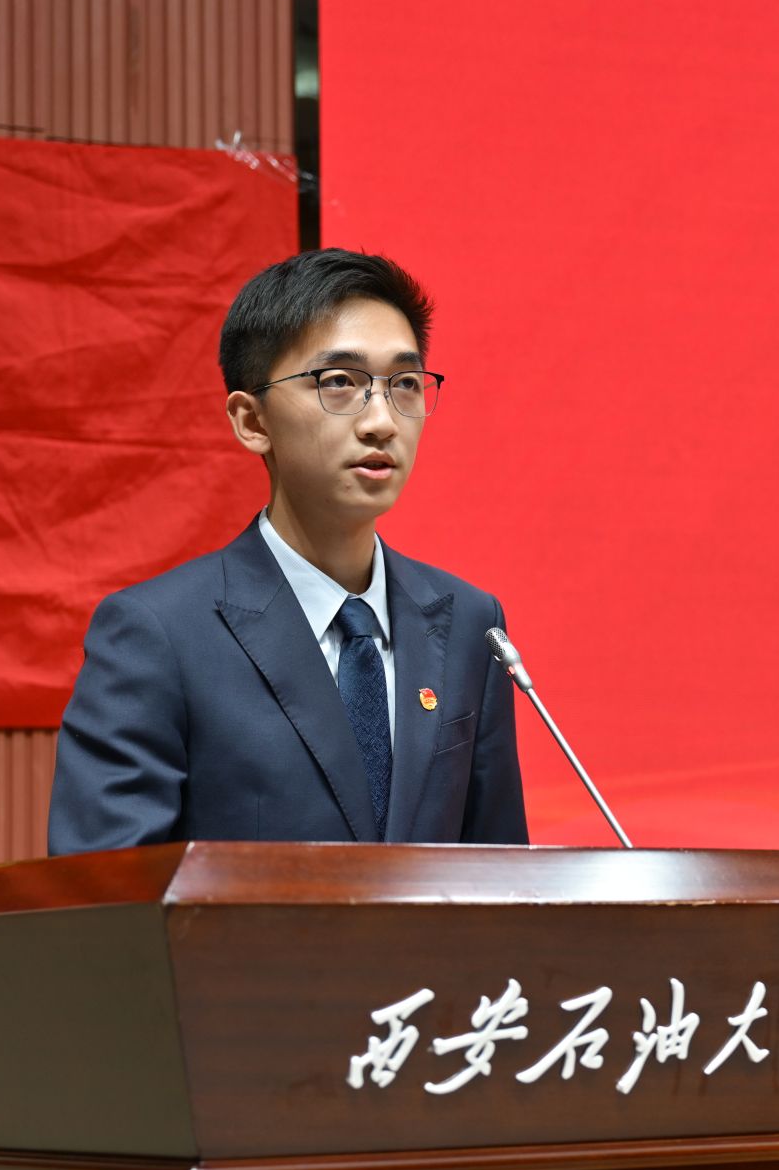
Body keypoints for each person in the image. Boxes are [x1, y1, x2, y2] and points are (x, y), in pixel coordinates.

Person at [47, 249, 528, 854]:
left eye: (404, 384)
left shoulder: (470, 624)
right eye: (340, 382)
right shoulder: (158, 634)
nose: (382, 421)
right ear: (252, 421)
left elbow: (501, 874)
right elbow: (108, 889)